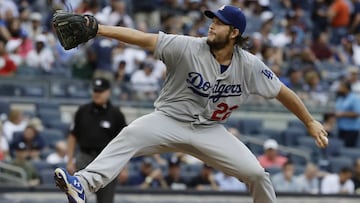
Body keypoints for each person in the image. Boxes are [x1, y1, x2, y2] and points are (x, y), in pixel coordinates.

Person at [54, 5, 329, 203]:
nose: (212, 24)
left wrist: (309, 121)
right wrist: (99, 29)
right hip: (168, 121)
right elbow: (143, 38)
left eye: (219, 22)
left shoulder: (249, 66)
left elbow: (283, 92)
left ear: (234, 33)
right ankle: (83, 183)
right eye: (212, 19)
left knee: (257, 173)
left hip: (209, 130)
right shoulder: (187, 46)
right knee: (129, 135)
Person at [64, 77, 127, 203]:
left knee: (106, 200)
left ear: (108, 92)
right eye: (95, 91)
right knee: (77, 198)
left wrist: (124, 167)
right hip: (84, 158)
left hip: (107, 160)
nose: (96, 94)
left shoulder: (116, 114)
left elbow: (125, 142)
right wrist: (70, 160)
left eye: (100, 91)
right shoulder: (82, 111)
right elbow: (73, 136)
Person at [334, 80, 360, 147]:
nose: (339, 89)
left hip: (351, 130)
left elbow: (357, 113)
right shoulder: (340, 98)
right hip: (341, 128)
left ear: (346, 88)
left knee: (348, 149)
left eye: (340, 87)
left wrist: (342, 114)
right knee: (340, 148)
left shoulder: (355, 98)